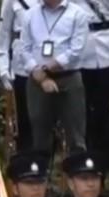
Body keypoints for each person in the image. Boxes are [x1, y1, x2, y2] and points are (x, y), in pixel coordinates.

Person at [21, 0, 91, 154]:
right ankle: (40, 173)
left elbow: (76, 50)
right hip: (37, 80)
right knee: (40, 132)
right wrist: (40, 75)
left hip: (69, 77)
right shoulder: (30, 15)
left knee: (76, 134)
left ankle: (78, 173)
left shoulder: (77, 14)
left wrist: (46, 67)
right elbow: (24, 49)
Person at [72, 0, 109, 169]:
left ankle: (106, 168)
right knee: (85, 117)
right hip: (81, 54)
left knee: (107, 116)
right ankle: (89, 169)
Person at [0, 0, 37, 152]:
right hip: (22, 67)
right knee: (25, 119)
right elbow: (3, 35)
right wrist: (4, 69)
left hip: (51, 64)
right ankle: (27, 166)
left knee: (47, 121)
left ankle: (47, 164)